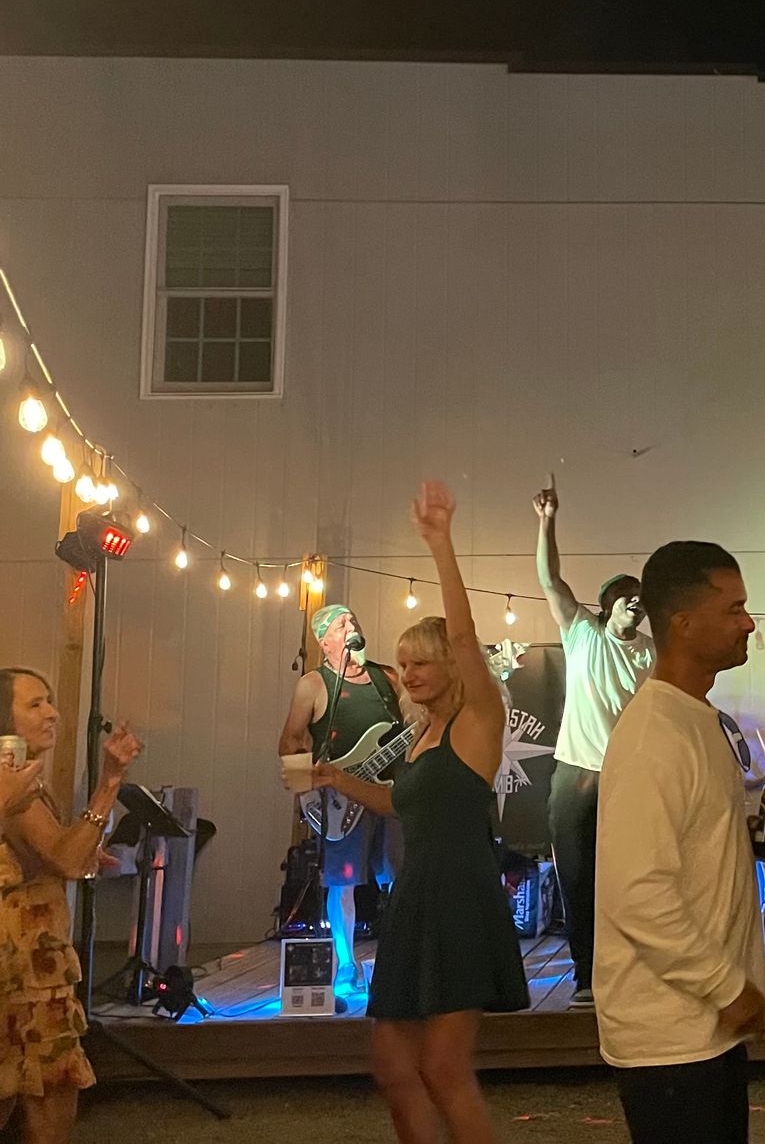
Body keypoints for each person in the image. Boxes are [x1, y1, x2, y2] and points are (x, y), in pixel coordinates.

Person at [314, 483, 529, 1144]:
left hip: (460, 895)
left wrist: (440, 544)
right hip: (415, 897)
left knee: (442, 1067)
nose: (407, 673)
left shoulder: (477, 719)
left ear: (452, 665)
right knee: (392, 1064)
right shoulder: (423, 732)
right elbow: (401, 803)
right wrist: (336, 778)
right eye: (403, 663)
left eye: (422, 661)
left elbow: (464, 634)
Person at [593, 540, 765, 1144]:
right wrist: (726, 987)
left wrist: (749, 842)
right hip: (670, 1036)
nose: (749, 623)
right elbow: (635, 893)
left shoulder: (696, 718)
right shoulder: (654, 734)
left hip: (701, 1026)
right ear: (682, 624)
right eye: (734, 609)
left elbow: (680, 844)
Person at [0, 667, 142, 1144]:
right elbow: (65, 858)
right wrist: (111, 781)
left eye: (50, 701)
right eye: (35, 704)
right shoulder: (13, 786)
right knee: (51, 1088)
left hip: (19, 962)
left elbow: (49, 855)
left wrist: (76, 852)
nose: (52, 713)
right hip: (29, 970)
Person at [533, 473, 654, 1006]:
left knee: (629, 879)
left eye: (640, 599)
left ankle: (628, 974)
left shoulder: (651, 652)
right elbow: (550, 579)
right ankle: (585, 976)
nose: (635, 604)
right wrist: (547, 521)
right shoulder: (582, 632)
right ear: (607, 604)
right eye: (625, 598)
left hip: (629, 776)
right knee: (577, 877)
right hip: (577, 772)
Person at [277, 603, 405, 994]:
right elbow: (290, 740)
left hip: (390, 793)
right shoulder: (313, 684)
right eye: (340, 623)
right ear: (324, 641)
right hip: (338, 800)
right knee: (342, 882)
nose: (351, 624)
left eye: (353, 619)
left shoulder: (388, 678)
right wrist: (305, 790)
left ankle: (397, 961)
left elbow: (414, 719)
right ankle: (347, 964)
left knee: (400, 878)